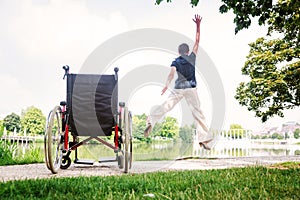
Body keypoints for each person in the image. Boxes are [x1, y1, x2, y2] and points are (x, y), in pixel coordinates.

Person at [144, 14, 214, 150]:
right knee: (198, 113)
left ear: (178, 52)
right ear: (187, 52)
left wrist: (166, 85)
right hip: (191, 89)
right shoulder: (192, 57)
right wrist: (198, 25)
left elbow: (171, 74)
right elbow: (197, 41)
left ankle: (151, 120)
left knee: (166, 106)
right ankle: (204, 140)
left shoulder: (175, 61)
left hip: (178, 88)